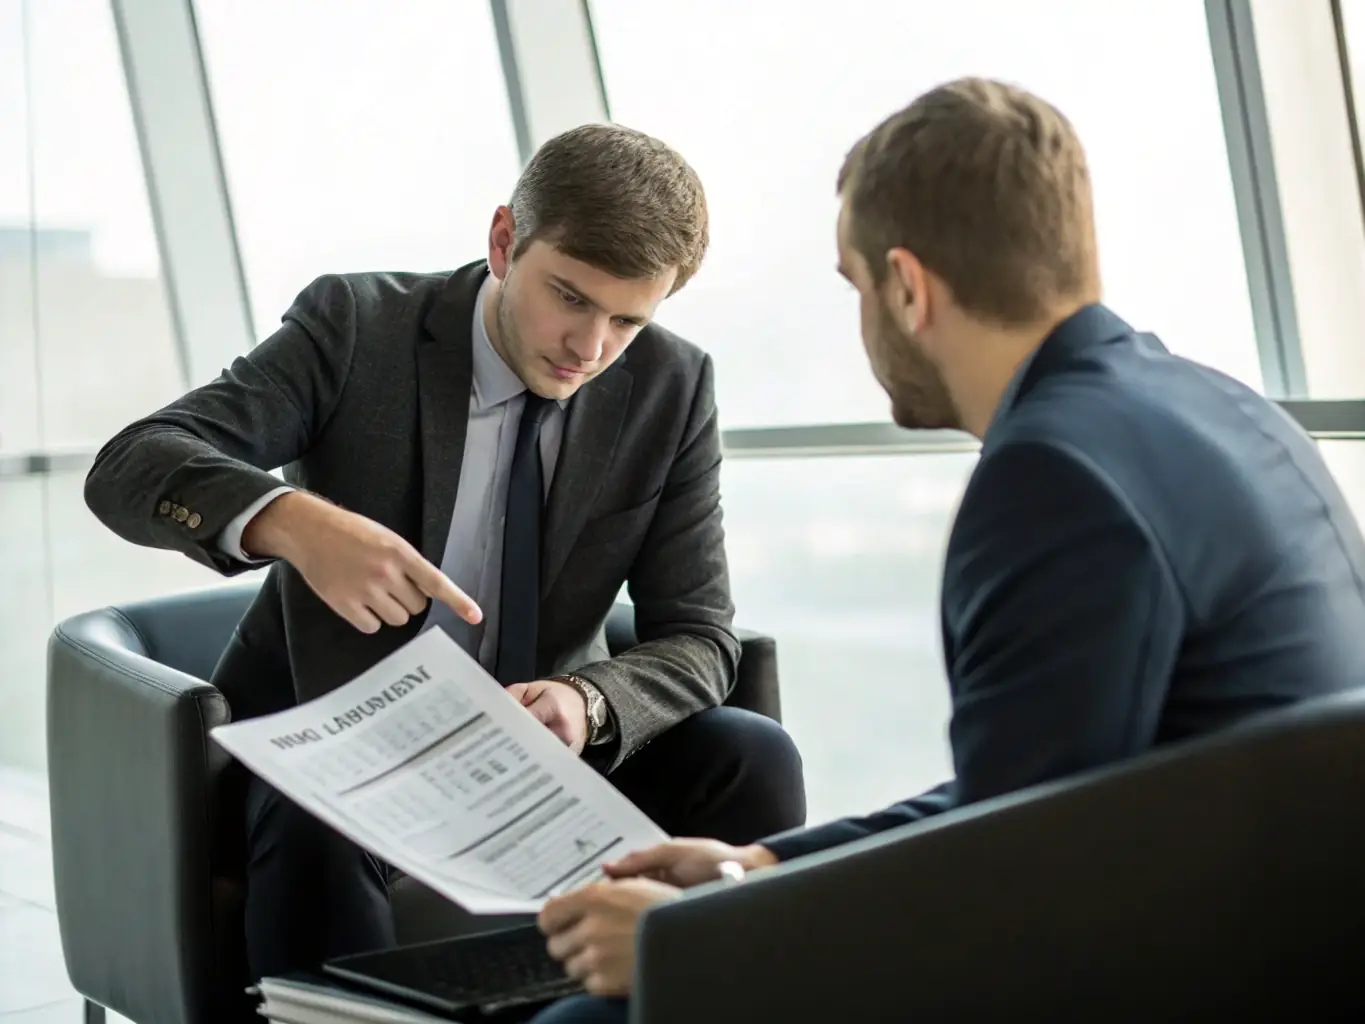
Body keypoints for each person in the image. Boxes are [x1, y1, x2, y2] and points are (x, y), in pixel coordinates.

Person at [527, 77, 1365, 1023]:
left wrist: (695, 935)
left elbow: (999, 892)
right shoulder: (1217, 408)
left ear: (910, 287)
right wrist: (753, 866)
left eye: (856, 287)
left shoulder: (1054, 476)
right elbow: (1024, 802)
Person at [82, 123, 806, 982]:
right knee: (316, 819)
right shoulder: (357, 328)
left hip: (542, 758)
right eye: (569, 297)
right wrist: (292, 521)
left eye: (626, 319)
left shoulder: (670, 386)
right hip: (335, 749)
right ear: (504, 241)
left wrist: (589, 703)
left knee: (753, 754)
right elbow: (130, 464)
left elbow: (700, 637)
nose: (590, 349)